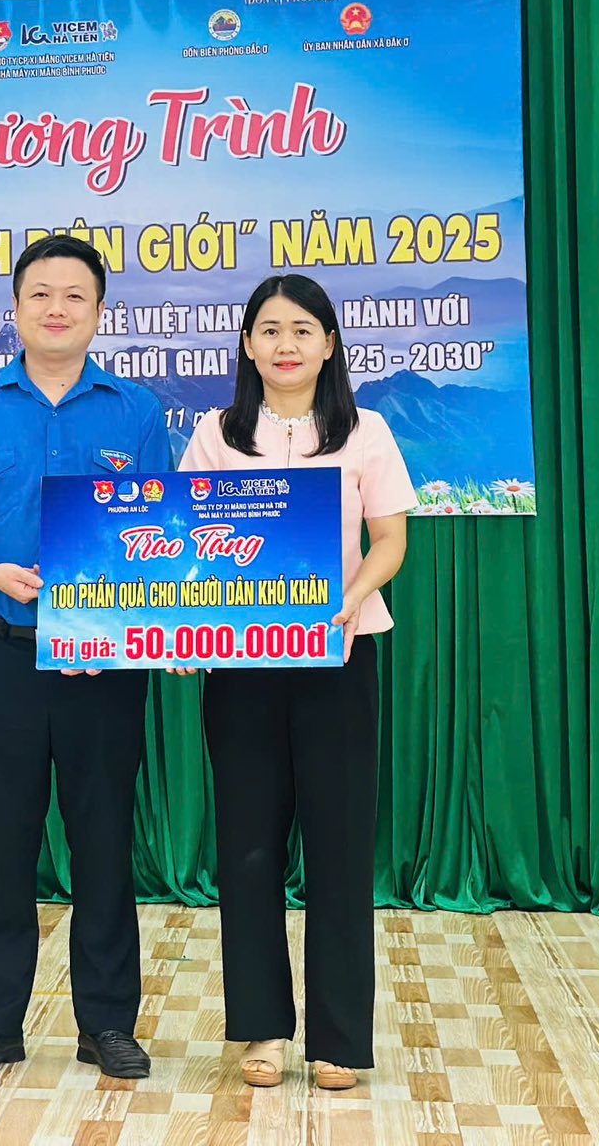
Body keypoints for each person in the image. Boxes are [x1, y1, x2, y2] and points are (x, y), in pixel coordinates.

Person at [0, 234, 173, 1080]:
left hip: (105, 668)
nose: (57, 309)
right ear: (16, 309)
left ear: (100, 312)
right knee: (2, 845)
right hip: (0, 659)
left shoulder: (135, 411)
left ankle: (107, 1025)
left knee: (104, 845)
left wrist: (111, 628)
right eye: (41, 295)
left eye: (75, 296)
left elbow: (161, 531)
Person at [179, 274, 413, 1093]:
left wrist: (349, 598)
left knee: (340, 848)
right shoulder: (215, 434)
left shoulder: (366, 431)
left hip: (339, 660)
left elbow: (390, 539)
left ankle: (340, 1039)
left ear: (329, 344)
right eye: (270, 330)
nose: (286, 344)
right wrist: (183, 623)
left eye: (303, 330)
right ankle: (263, 1029)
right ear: (247, 344)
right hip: (242, 668)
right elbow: (189, 543)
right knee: (247, 849)